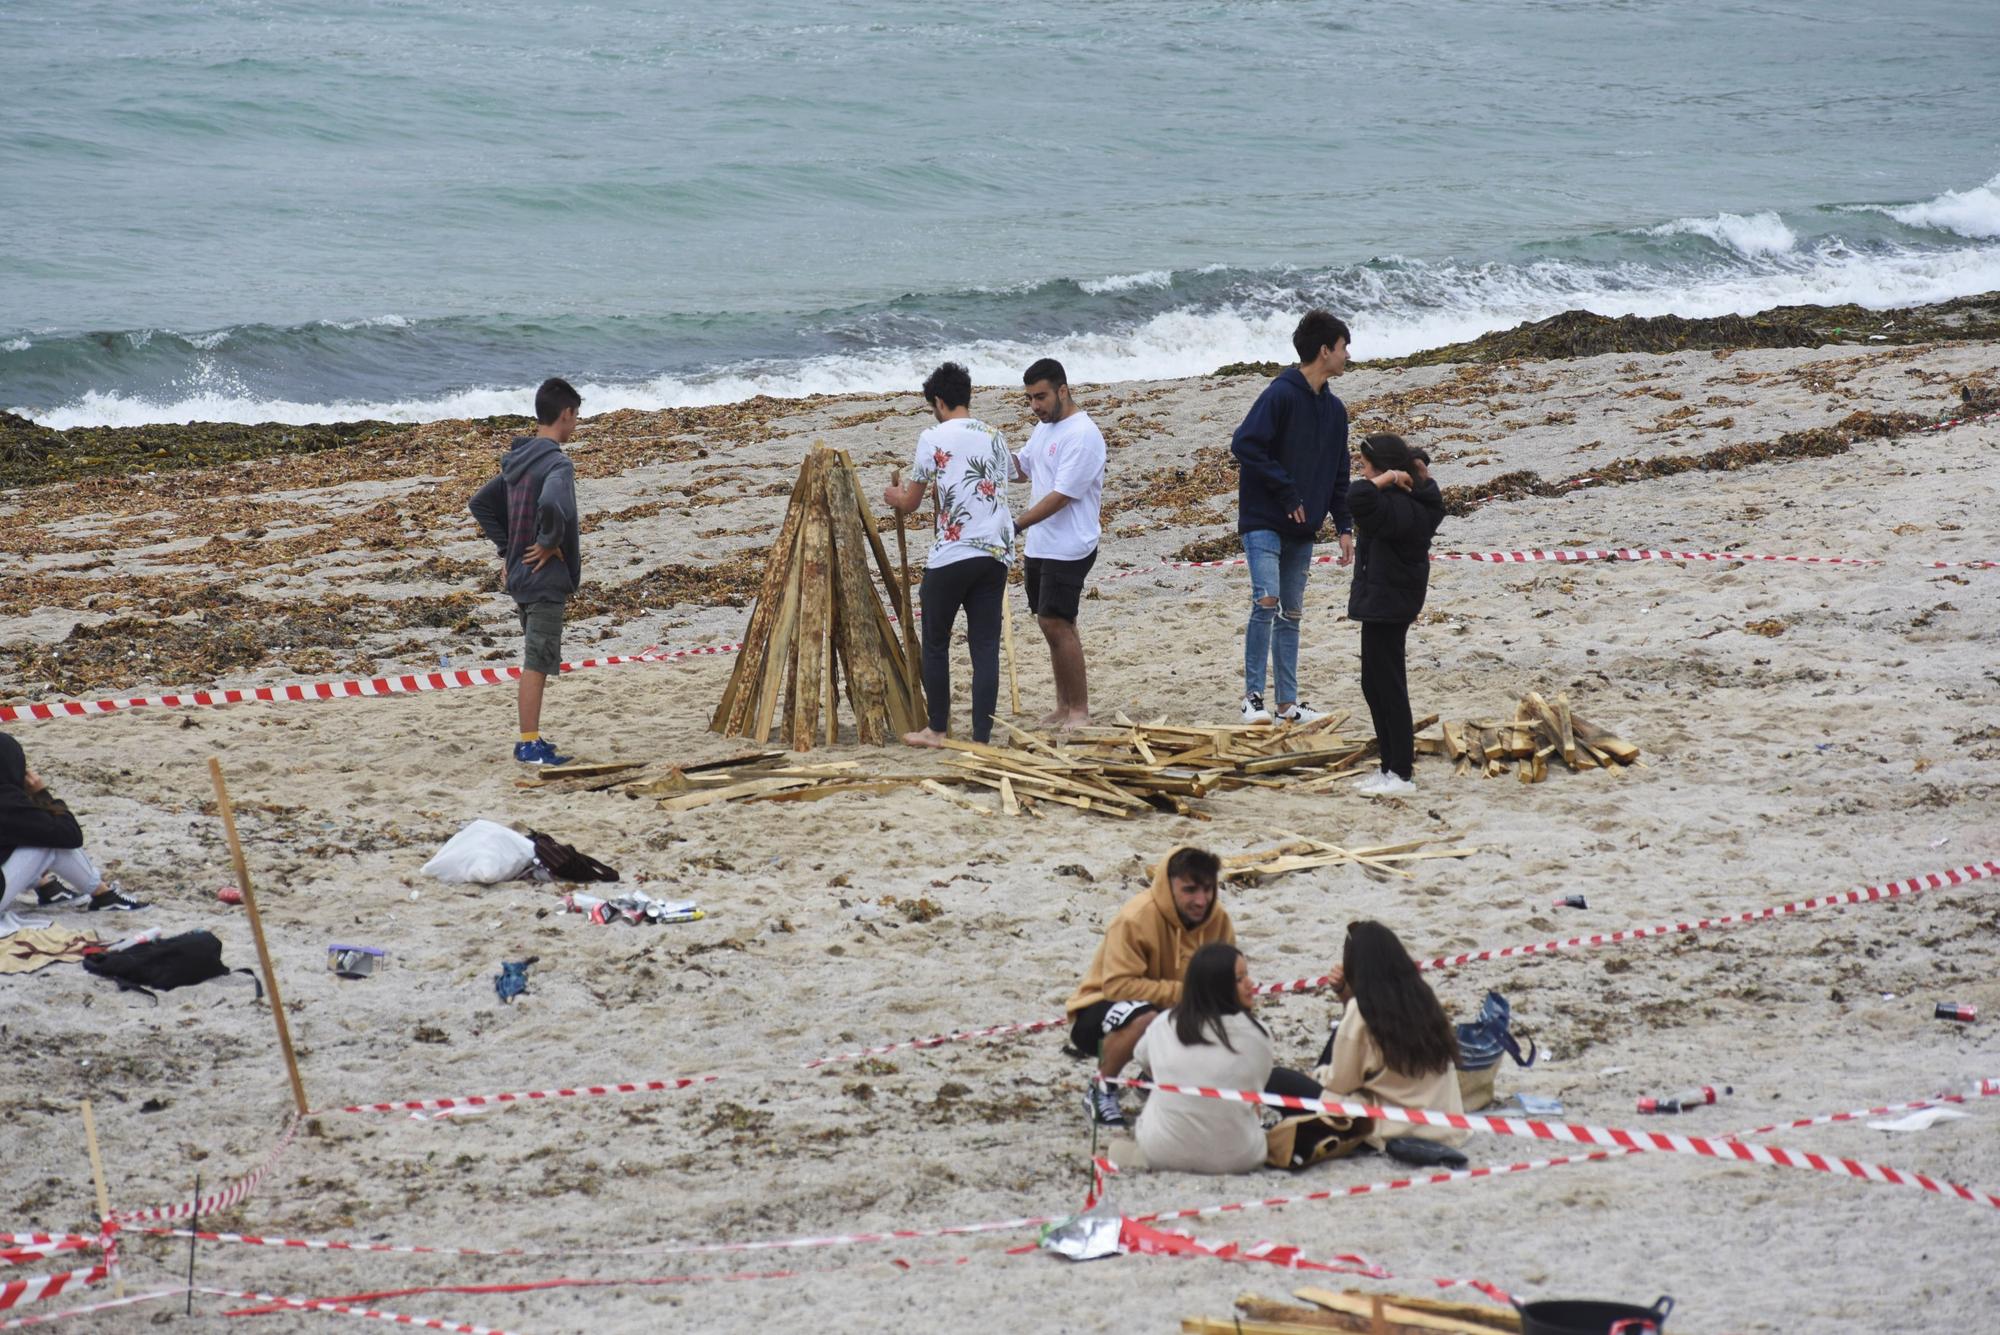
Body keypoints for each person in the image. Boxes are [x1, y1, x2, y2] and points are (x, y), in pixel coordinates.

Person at [1231, 310, 1355, 726]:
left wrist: (1344, 526)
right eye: (1343, 347)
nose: (1347, 355)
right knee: (1266, 601)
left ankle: (1287, 704)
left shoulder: (1336, 411)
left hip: (1304, 528)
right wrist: (1286, 490)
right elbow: (1246, 444)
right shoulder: (1279, 395)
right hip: (1263, 518)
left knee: (1292, 613)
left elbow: (1341, 471)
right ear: (1325, 350)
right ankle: (1252, 698)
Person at [882, 362, 1015, 747]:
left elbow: (911, 501)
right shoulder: (995, 435)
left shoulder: (933, 437)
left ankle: (937, 729)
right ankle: (981, 737)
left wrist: (894, 497)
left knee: (936, 641)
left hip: (953, 551)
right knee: (985, 647)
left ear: (939, 401)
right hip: (995, 551)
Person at [1066, 846, 1233, 1127]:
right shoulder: (1135, 917)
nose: (1201, 900)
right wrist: (1188, 995)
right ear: (1169, 886)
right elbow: (1118, 986)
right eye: (1190, 890)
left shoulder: (1219, 920)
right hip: (1099, 1010)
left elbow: (1225, 980)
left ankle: (1154, 1078)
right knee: (1144, 1016)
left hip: (1173, 1007)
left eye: (1208, 889)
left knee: (1226, 1020)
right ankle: (1102, 1087)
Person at [469, 377, 584, 766]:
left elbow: (480, 504)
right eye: (576, 417)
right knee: (537, 662)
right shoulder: (556, 463)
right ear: (565, 415)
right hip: (544, 580)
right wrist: (550, 542)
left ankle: (533, 736)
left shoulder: (517, 462)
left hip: (521, 577)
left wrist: (509, 549)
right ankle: (528, 742)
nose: (576, 425)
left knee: (537, 658)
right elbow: (553, 503)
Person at [1311, 920, 1468, 1153]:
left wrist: (1317, 1075)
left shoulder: (1363, 1011)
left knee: (1283, 1080)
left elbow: (1340, 1083)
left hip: (1394, 1128)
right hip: (1446, 1126)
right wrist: (1346, 996)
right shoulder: (1423, 999)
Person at [1345, 434, 1444, 796]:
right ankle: (1389, 767)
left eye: (1367, 465)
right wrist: (1417, 473)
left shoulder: (1397, 505)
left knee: (1389, 687)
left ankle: (1400, 773)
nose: (1362, 470)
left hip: (1389, 604)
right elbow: (1434, 499)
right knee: (1374, 685)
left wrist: (1388, 478)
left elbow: (1356, 496)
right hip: (1384, 603)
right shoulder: (1412, 500)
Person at [1011, 358, 1106, 731]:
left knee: (1057, 622)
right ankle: (1063, 704)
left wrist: (1016, 524)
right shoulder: (1044, 428)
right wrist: (988, 458)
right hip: (1041, 543)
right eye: (1030, 398)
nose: (1035, 405)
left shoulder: (1082, 435)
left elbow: (1062, 495)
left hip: (1071, 544)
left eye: (1041, 397)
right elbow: (1024, 468)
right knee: (1050, 622)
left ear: (1062, 391)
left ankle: (1079, 709)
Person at [1127, 943, 1273, 1174]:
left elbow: (1142, 1059)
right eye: (1239, 978)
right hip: (1239, 1159)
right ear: (1218, 986)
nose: (1250, 983)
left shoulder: (1164, 1024)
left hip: (1162, 1154)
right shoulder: (1258, 1034)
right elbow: (1257, 1091)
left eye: (1246, 975)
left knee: (1159, 1092)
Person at [0, 734, 146, 936]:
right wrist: (42, 795)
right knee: (49, 841)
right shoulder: (6, 801)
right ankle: (104, 895)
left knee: (28, 835)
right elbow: (69, 835)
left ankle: (48, 887)